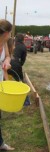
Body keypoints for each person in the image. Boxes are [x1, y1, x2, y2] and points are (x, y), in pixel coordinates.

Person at [0, 19, 15, 151]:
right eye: (10, 32)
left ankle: (0, 144)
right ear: (5, 32)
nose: (11, 35)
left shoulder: (4, 42)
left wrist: (6, 61)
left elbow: (8, 56)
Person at [8, 33, 30, 106]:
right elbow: (23, 59)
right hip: (15, 65)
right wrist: (20, 65)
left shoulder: (10, 43)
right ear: (23, 39)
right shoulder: (23, 47)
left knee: (4, 82)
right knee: (20, 82)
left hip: (6, 63)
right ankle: (26, 101)